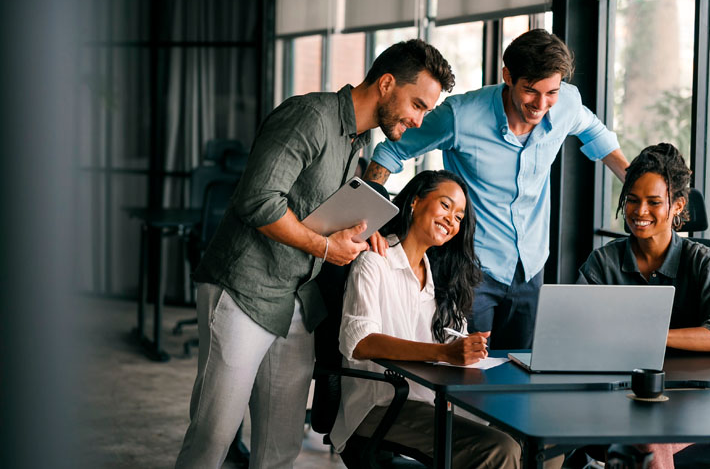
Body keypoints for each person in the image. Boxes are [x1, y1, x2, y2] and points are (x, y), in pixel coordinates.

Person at [174, 39, 455, 468]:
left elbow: (318, 211)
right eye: (417, 104)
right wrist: (326, 247)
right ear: (385, 84)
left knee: (281, 446)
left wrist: (368, 233)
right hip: (244, 289)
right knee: (213, 436)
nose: (418, 120)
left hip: (297, 299)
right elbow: (259, 201)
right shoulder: (309, 116)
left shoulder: (354, 141)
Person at [364, 29, 629, 349]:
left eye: (551, 93)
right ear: (508, 75)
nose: (541, 104)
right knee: (465, 374)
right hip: (470, 269)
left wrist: (634, 184)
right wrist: (369, 219)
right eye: (531, 91)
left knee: (519, 374)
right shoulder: (460, 116)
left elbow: (595, 134)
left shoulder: (566, 103)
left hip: (531, 267)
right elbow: (390, 152)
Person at [576, 143, 710, 469]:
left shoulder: (705, 262)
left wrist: (654, 336)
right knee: (646, 435)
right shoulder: (603, 263)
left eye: (653, 202)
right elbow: (575, 331)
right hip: (618, 399)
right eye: (632, 200)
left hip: (695, 401)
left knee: (649, 438)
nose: (640, 211)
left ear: (677, 206)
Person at [331, 170, 522, 467]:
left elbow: (453, 350)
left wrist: (468, 352)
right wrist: (444, 353)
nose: (452, 220)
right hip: (382, 405)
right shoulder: (374, 262)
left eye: (459, 217)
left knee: (533, 436)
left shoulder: (443, 282)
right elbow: (359, 342)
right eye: (446, 206)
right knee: (500, 448)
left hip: (434, 402)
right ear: (415, 202)